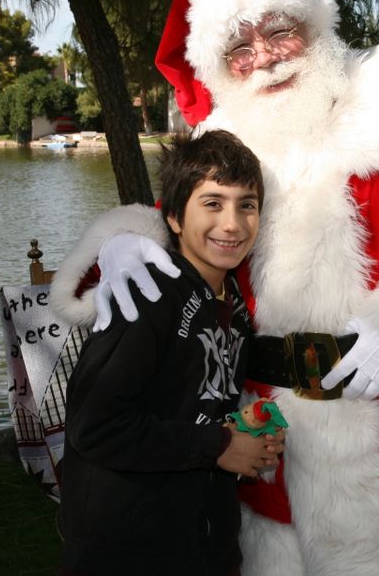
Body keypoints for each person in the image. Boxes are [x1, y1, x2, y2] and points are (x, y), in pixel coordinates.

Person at [51, 0, 379, 575]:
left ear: (316, 26)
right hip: (281, 446)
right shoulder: (220, 150)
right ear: (220, 70)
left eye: (280, 30)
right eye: (240, 50)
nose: (266, 58)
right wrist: (125, 242)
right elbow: (181, 236)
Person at [57, 130, 283, 576]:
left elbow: (192, 402)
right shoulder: (144, 295)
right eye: (213, 203)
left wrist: (244, 440)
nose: (233, 223)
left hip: (200, 544)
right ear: (175, 217)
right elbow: (95, 426)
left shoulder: (232, 305)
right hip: (128, 549)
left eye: (247, 204)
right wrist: (218, 445)